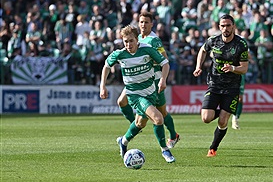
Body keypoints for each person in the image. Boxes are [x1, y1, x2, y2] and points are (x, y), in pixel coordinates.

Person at [99, 25, 175, 163]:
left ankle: (124, 141)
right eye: (125, 41)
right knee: (158, 118)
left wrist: (163, 80)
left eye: (131, 41)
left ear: (137, 40)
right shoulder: (119, 54)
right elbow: (106, 67)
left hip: (151, 92)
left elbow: (165, 63)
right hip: (135, 95)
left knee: (140, 123)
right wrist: (102, 86)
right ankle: (165, 149)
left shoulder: (147, 50)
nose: (128, 44)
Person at [117, 11, 180, 149]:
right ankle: (134, 125)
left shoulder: (154, 40)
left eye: (146, 22)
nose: (143, 25)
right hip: (136, 80)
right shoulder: (136, 38)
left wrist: (160, 76)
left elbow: (164, 59)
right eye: (141, 22)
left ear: (152, 24)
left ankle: (173, 135)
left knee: (162, 113)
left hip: (152, 80)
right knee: (121, 101)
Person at [193, 14, 249, 157]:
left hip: (232, 87)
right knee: (206, 118)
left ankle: (213, 148)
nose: (226, 28)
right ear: (219, 27)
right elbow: (203, 50)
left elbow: (244, 68)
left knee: (223, 121)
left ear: (233, 26)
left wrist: (233, 69)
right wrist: (198, 66)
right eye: (223, 26)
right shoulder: (213, 41)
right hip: (214, 83)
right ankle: (226, 112)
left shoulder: (241, 45)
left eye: (228, 25)